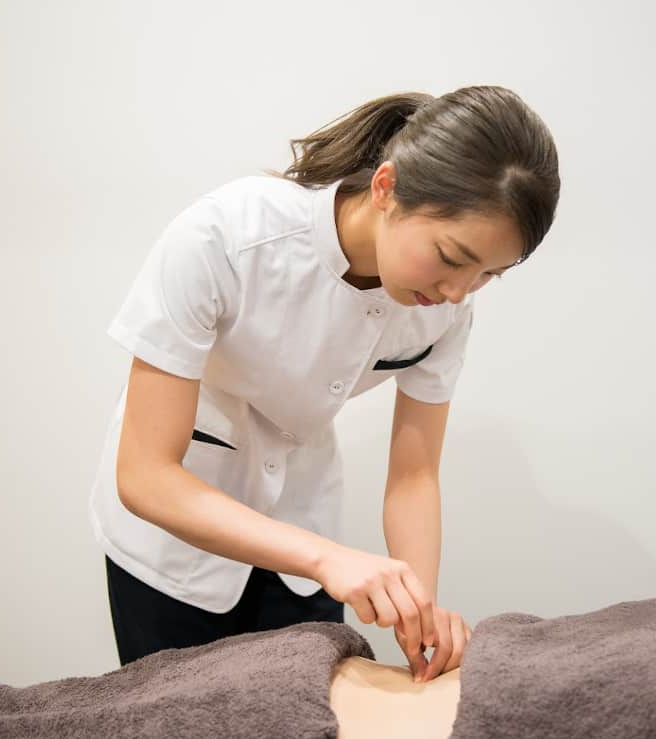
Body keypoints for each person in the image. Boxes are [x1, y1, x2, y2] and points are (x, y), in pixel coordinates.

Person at [89, 85, 560, 682]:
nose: (457, 291)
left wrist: (420, 610)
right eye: (449, 255)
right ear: (387, 188)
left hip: (303, 533)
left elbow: (414, 475)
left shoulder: (446, 308)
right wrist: (327, 559)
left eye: (488, 274)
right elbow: (146, 475)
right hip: (175, 540)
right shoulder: (223, 239)